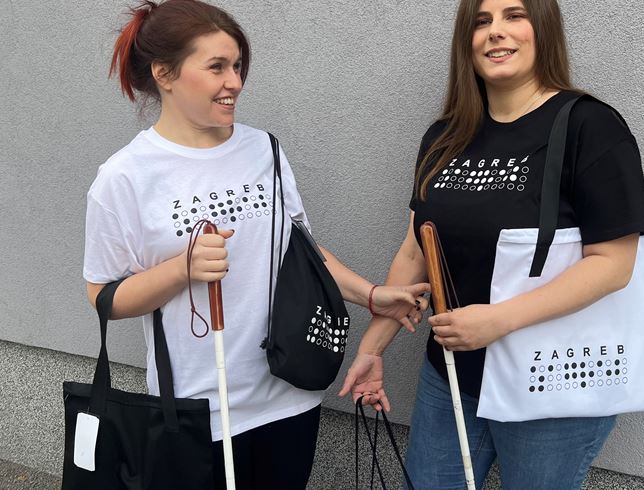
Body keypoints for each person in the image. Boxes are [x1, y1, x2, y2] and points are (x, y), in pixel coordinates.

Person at [83, 1, 429, 488]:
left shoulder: (263, 149)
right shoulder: (125, 177)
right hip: (198, 410)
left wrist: (371, 295)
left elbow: (300, 252)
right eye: (217, 67)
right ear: (164, 73)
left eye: (238, 65)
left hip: (289, 393)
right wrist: (181, 269)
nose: (235, 82)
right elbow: (103, 297)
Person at [339, 0, 644, 488]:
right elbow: (416, 250)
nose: (495, 31)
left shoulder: (589, 127)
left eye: (514, 16)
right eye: (481, 21)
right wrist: (373, 346)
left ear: (543, 28)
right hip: (453, 374)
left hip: (550, 382)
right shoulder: (445, 136)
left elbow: (613, 263)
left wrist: (497, 320)